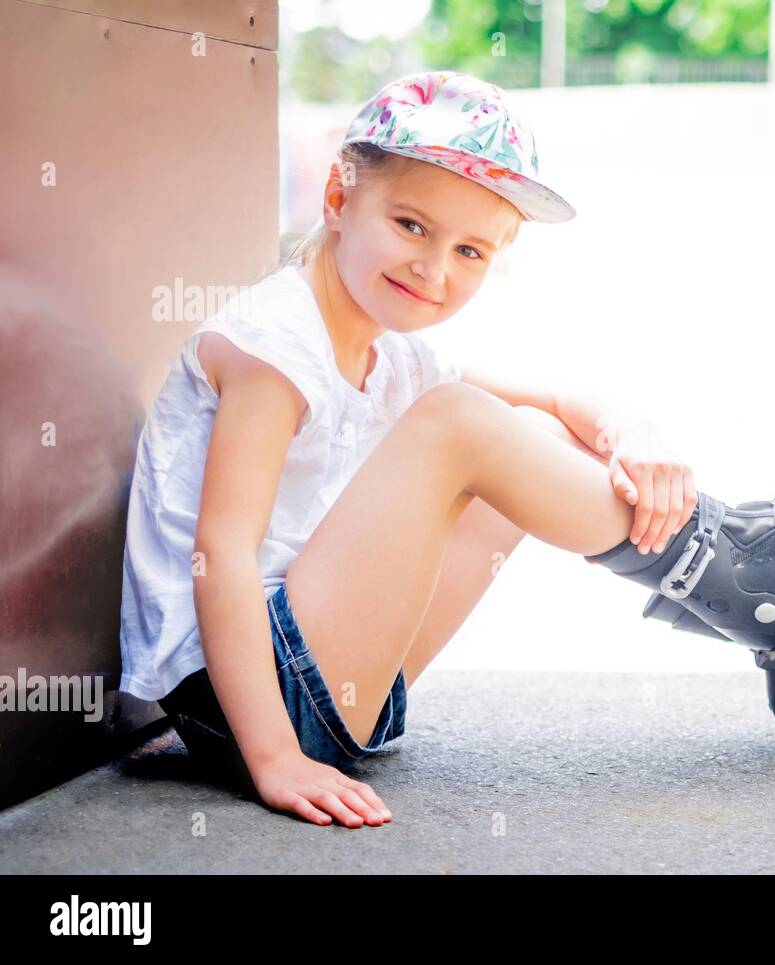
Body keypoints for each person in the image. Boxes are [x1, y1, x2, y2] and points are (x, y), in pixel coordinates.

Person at [119, 70, 698, 828]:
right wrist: (274, 759)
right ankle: (741, 571)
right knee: (459, 420)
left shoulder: (392, 351)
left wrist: (638, 434)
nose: (435, 271)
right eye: (411, 226)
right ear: (337, 200)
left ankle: (737, 574)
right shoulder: (274, 346)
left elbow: (559, 402)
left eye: (471, 252)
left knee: (540, 434)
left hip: (343, 688)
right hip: (249, 702)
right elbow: (221, 554)